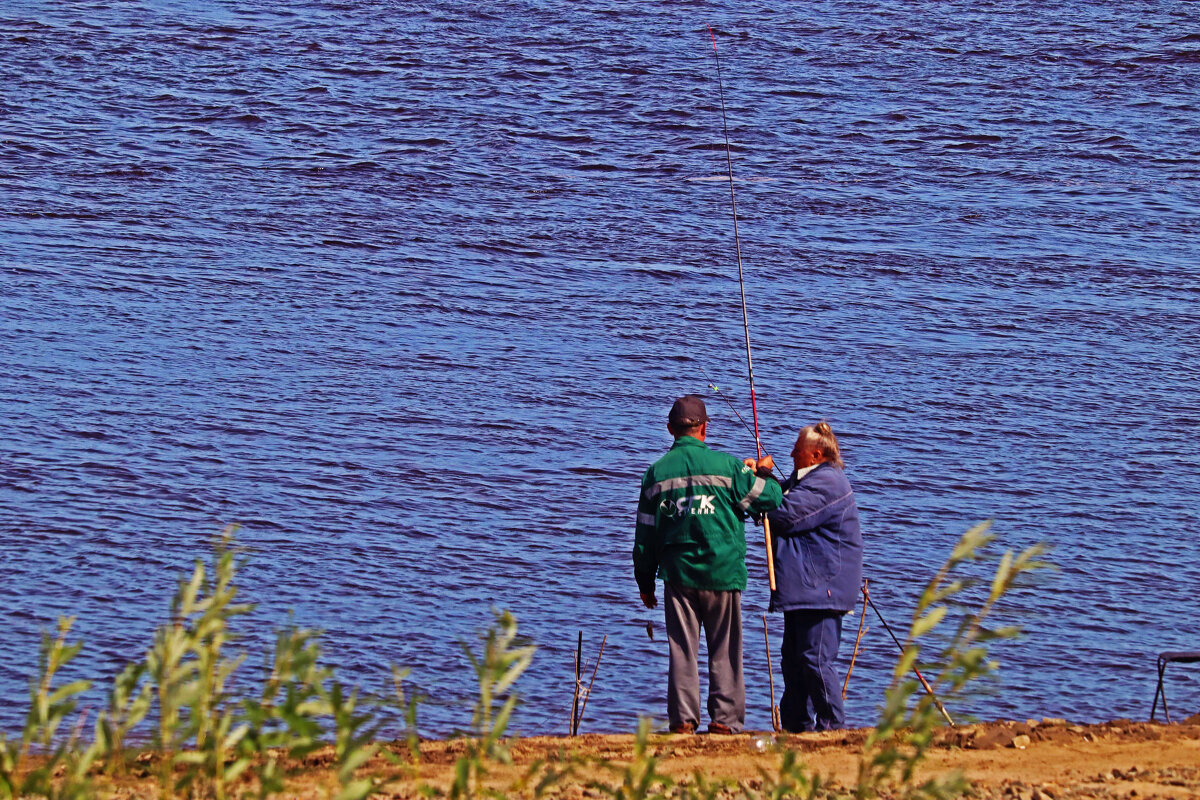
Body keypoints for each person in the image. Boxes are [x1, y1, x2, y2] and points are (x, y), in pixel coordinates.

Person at [633, 394, 783, 735]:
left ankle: (683, 721)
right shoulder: (728, 467)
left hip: (678, 574)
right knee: (725, 649)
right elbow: (770, 498)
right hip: (723, 572)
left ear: (671, 429)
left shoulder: (655, 474)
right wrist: (762, 472)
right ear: (704, 429)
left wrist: (645, 582)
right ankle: (724, 721)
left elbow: (645, 538)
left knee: (682, 650)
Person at [755, 421, 863, 732]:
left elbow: (785, 514)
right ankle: (796, 728)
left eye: (797, 450)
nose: (791, 454)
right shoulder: (810, 480)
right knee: (793, 661)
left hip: (821, 590)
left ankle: (831, 727)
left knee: (815, 661)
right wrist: (764, 480)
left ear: (815, 455)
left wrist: (763, 479)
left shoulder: (828, 482)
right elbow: (784, 503)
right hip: (806, 589)